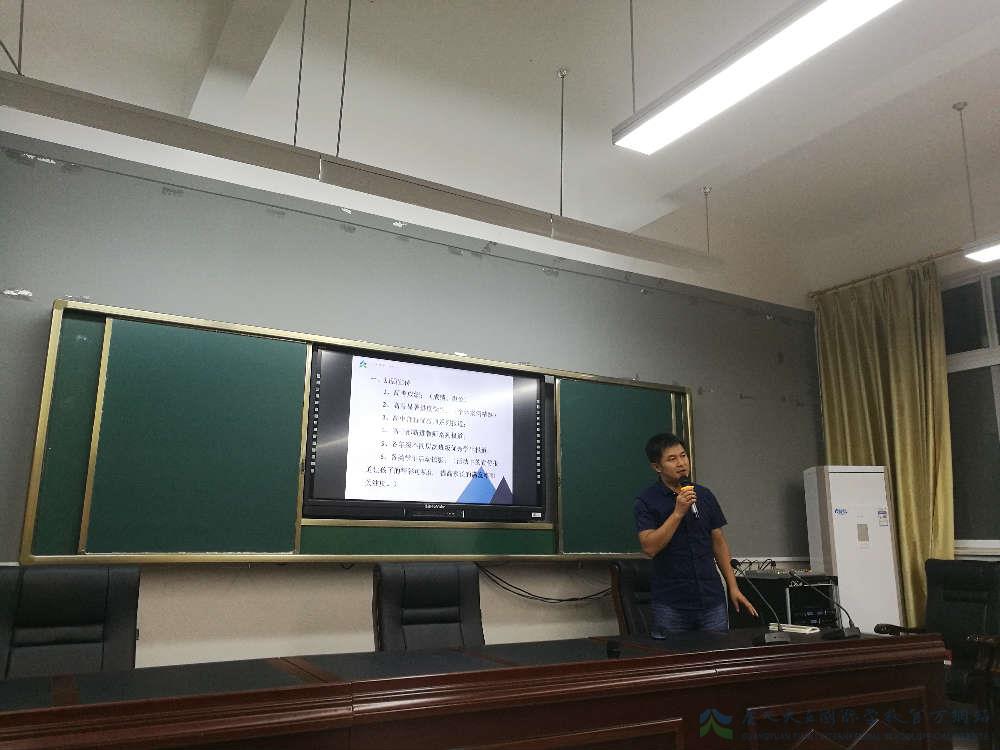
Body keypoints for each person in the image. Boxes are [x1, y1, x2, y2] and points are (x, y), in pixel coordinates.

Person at [634, 432, 757, 633]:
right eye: (672, 459)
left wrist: (733, 586)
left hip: (711, 599)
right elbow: (650, 547)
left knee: (717, 652)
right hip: (671, 603)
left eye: (683, 456)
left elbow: (718, 542)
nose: (681, 463)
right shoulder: (647, 500)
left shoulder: (704, 495)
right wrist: (677, 513)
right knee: (674, 654)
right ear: (657, 467)